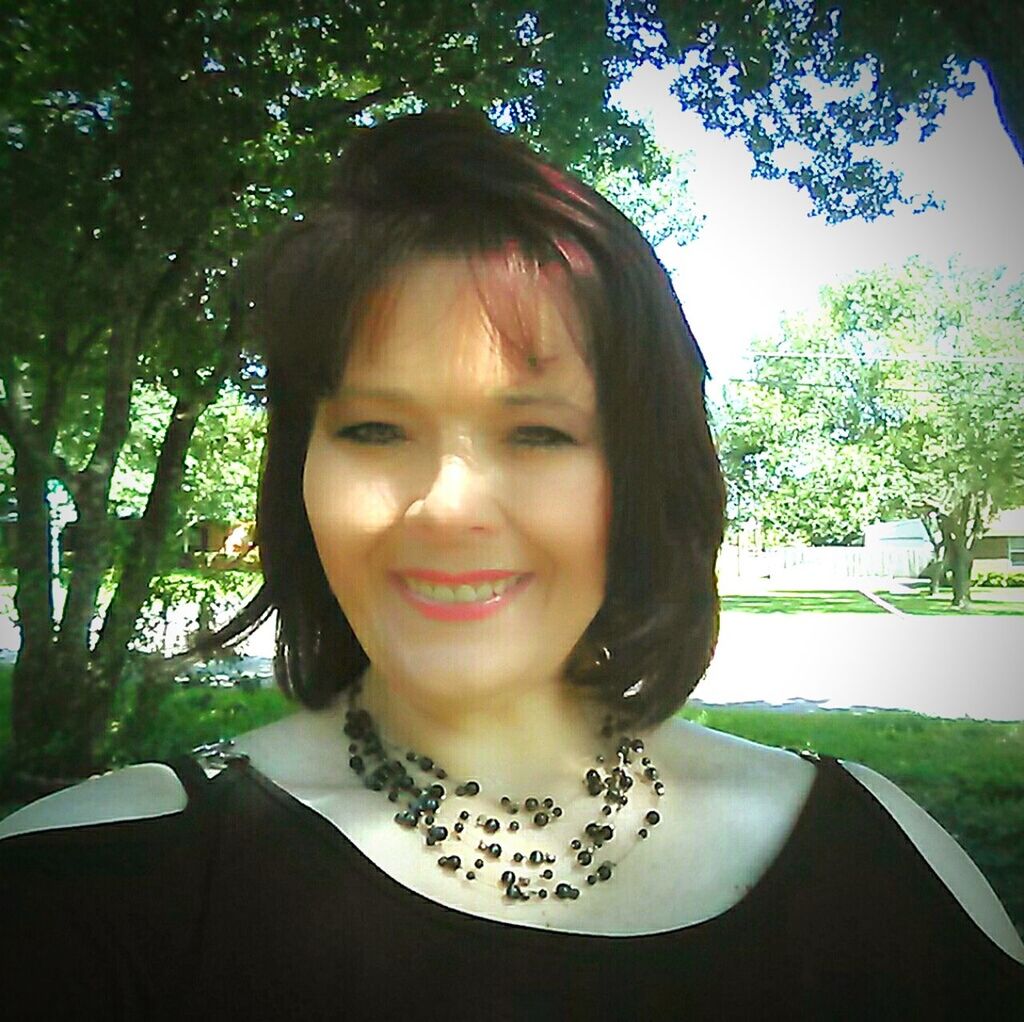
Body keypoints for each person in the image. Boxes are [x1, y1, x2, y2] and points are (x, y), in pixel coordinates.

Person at [1, 110, 1021, 1019]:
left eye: (535, 435)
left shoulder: (885, 867)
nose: (445, 507)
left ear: (643, 477)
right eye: (369, 427)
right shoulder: (93, 889)